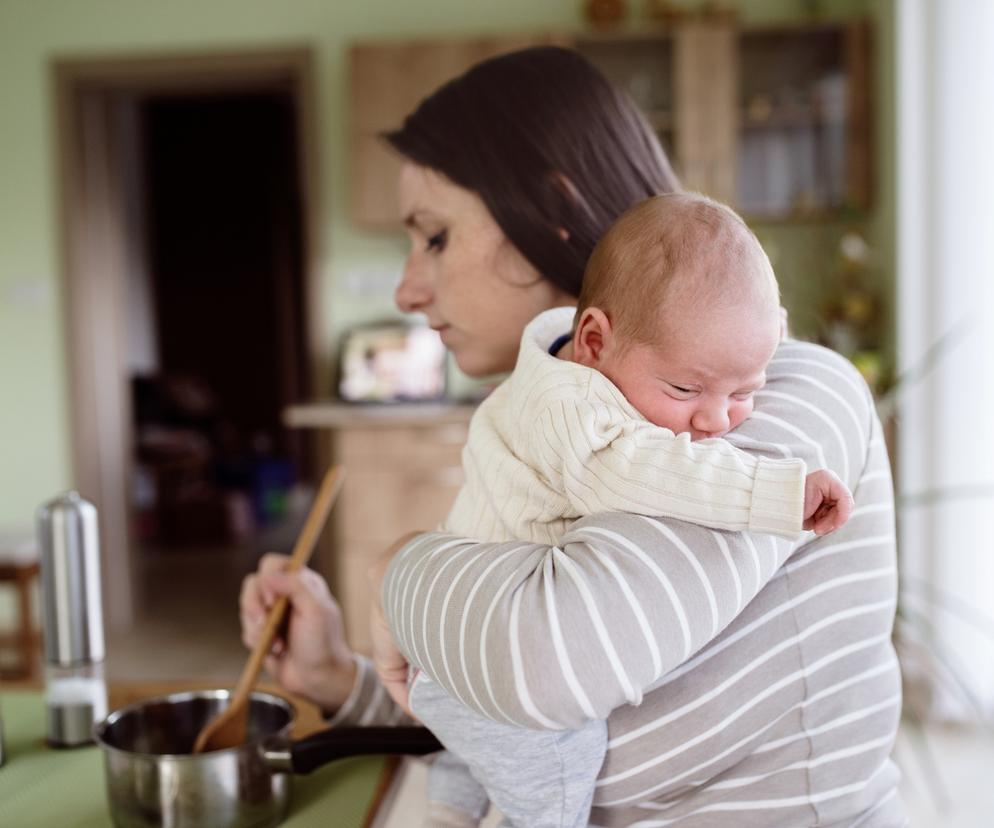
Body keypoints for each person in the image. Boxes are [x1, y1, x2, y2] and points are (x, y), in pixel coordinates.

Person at [240, 47, 906, 827]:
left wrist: (398, 572)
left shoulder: (787, 400)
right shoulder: (546, 426)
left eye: (435, 238)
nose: (406, 288)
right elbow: (522, 745)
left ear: (549, 209)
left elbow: (550, 663)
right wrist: (337, 677)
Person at [412, 192, 855, 828]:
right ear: (593, 338)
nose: (715, 420)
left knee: (472, 755)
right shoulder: (575, 416)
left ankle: (446, 811)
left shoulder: (599, 363)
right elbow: (645, 469)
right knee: (559, 764)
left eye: (745, 392)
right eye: (685, 388)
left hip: (457, 651)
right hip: (490, 655)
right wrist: (777, 491)